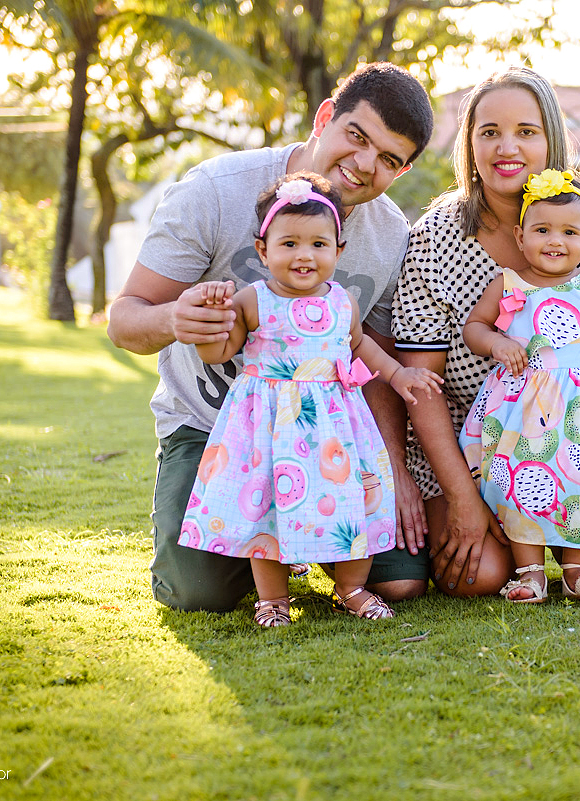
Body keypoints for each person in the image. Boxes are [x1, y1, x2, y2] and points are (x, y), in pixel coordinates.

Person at [107, 63, 435, 613]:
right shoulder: (213, 191)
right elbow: (124, 319)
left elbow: (368, 358)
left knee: (400, 579)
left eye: (388, 160)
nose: (363, 165)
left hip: (332, 437)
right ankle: (280, 548)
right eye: (357, 137)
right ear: (325, 117)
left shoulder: (389, 234)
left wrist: (393, 467)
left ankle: (315, 540)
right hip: (219, 431)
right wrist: (175, 321)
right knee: (198, 590)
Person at [393, 66, 580, 598]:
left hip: (578, 438)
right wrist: (463, 498)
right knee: (482, 577)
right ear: (469, 144)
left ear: (552, 139)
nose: (506, 147)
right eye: (488, 131)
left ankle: (573, 557)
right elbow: (420, 384)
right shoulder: (436, 235)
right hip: (473, 448)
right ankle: (507, 538)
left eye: (526, 131)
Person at [181, 173, 442, 627]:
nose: (305, 255)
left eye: (319, 244)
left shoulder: (343, 302)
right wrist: (212, 320)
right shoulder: (252, 300)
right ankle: (273, 598)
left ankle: (351, 587)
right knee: (264, 508)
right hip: (270, 424)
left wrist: (399, 374)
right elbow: (220, 351)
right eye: (290, 244)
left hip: (336, 426)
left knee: (354, 504)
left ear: (338, 251)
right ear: (263, 250)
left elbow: (360, 345)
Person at [457, 169, 580, 603]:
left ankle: (578, 568)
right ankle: (530, 571)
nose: (555, 241)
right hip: (521, 406)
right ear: (521, 237)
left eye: (569, 232)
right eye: (542, 230)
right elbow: (474, 328)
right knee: (518, 482)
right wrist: (497, 343)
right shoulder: (508, 281)